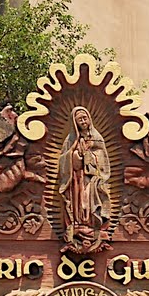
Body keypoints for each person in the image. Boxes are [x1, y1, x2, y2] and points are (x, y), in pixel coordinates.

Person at [57, 106, 111, 250]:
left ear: (89, 119)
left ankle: (92, 225)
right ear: (75, 123)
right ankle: (77, 225)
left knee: (88, 201)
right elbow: (64, 158)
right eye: (79, 119)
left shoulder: (97, 138)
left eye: (84, 118)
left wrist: (90, 156)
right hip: (75, 178)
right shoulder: (70, 140)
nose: (83, 121)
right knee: (77, 202)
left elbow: (103, 158)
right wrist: (74, 155)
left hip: (92, 179)